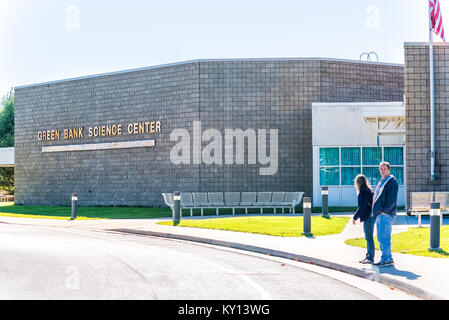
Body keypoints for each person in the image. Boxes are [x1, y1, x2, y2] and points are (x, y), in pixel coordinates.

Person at [371, 161, 399, 267]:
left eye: (384, 169)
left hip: (386, 214)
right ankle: (385, 257)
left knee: (384, 237)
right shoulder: (382, 181)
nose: (382, 171)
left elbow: (392, 199)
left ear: (389, 169)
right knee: (380, 237)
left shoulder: (391, 181)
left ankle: (387, 259)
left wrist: (385, 211)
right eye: (381, 169)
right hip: (380, 214)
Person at [352, 174, 375, 264]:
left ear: (358, 183)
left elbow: (363, 206)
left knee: (369, 238)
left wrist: (355, 217)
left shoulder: (364, 191)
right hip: (370, 216)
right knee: (368, 237)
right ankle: (368, 256)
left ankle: (370, 258)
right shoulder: (367, 190)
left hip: (368, 216)